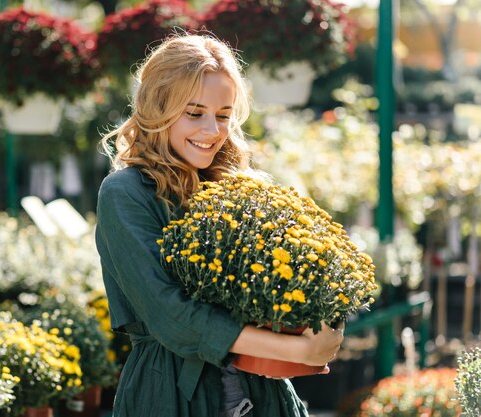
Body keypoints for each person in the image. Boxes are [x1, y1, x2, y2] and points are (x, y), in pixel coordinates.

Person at [95, 34, 344, 417]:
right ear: (157, 108)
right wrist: (298, 351)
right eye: (194, 113)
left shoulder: (244, 185)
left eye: (223, 115)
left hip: (264, 394)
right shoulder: (126, 193)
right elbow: (170, 317)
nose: (212, 130)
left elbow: (296, 276)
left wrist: (326, 318)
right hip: (172, 396)